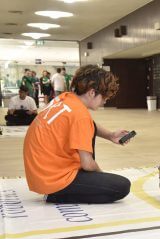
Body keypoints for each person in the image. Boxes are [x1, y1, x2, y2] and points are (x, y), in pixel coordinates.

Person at [23, 65, 131, 204]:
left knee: (88, 130)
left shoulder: (64, 98)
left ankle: (63, 189)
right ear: (92, 92)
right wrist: (101, 179)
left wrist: (110, 135)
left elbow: (88, 125)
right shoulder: (80, 115)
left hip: (41, 172)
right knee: (121, 187)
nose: (105, 101)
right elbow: (87, 164)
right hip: (53, 179)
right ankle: (58, 195)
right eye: (104, 96)